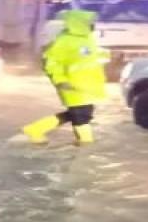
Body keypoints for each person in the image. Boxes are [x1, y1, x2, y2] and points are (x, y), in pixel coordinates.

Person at [22, 9, 110, 145]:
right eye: (89, 22)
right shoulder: (64, 41)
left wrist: (106, 55)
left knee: (80, 113)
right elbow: (52, 63)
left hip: (87, 86)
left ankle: (36, 129)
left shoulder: (87, 38)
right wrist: (61, 80)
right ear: (78, 23)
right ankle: (86, 145)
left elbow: (88, 56)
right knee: (81, 114)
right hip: (71, 85)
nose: (92, 24)